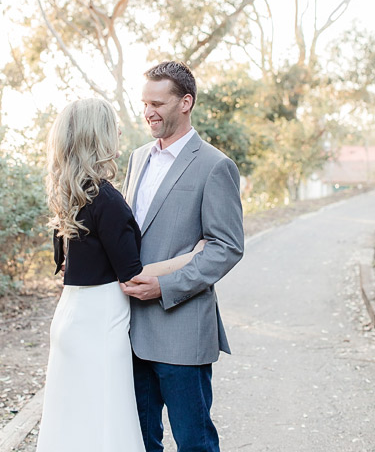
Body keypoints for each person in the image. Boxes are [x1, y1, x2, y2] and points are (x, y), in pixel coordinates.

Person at [36, 97, 204, 452]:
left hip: (71, 316)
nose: (120, 129)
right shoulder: (107, 199)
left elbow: (67, 265)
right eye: (112, 124)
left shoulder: (69, 192)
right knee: (109, 428)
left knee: (72, 425)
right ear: (98, 136)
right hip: (99, 325)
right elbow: (132, 277)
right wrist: (190, 257)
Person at [120, 61, 244, 452]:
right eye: (144, 103)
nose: (148, 112)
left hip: (182, 330)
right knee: (140, 441)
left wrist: (165, 285)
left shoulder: (215, 166)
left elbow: (226, 246)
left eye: (157, 102)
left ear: (185, 102)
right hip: (129, 330)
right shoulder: (137, 158)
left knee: (195, 443)